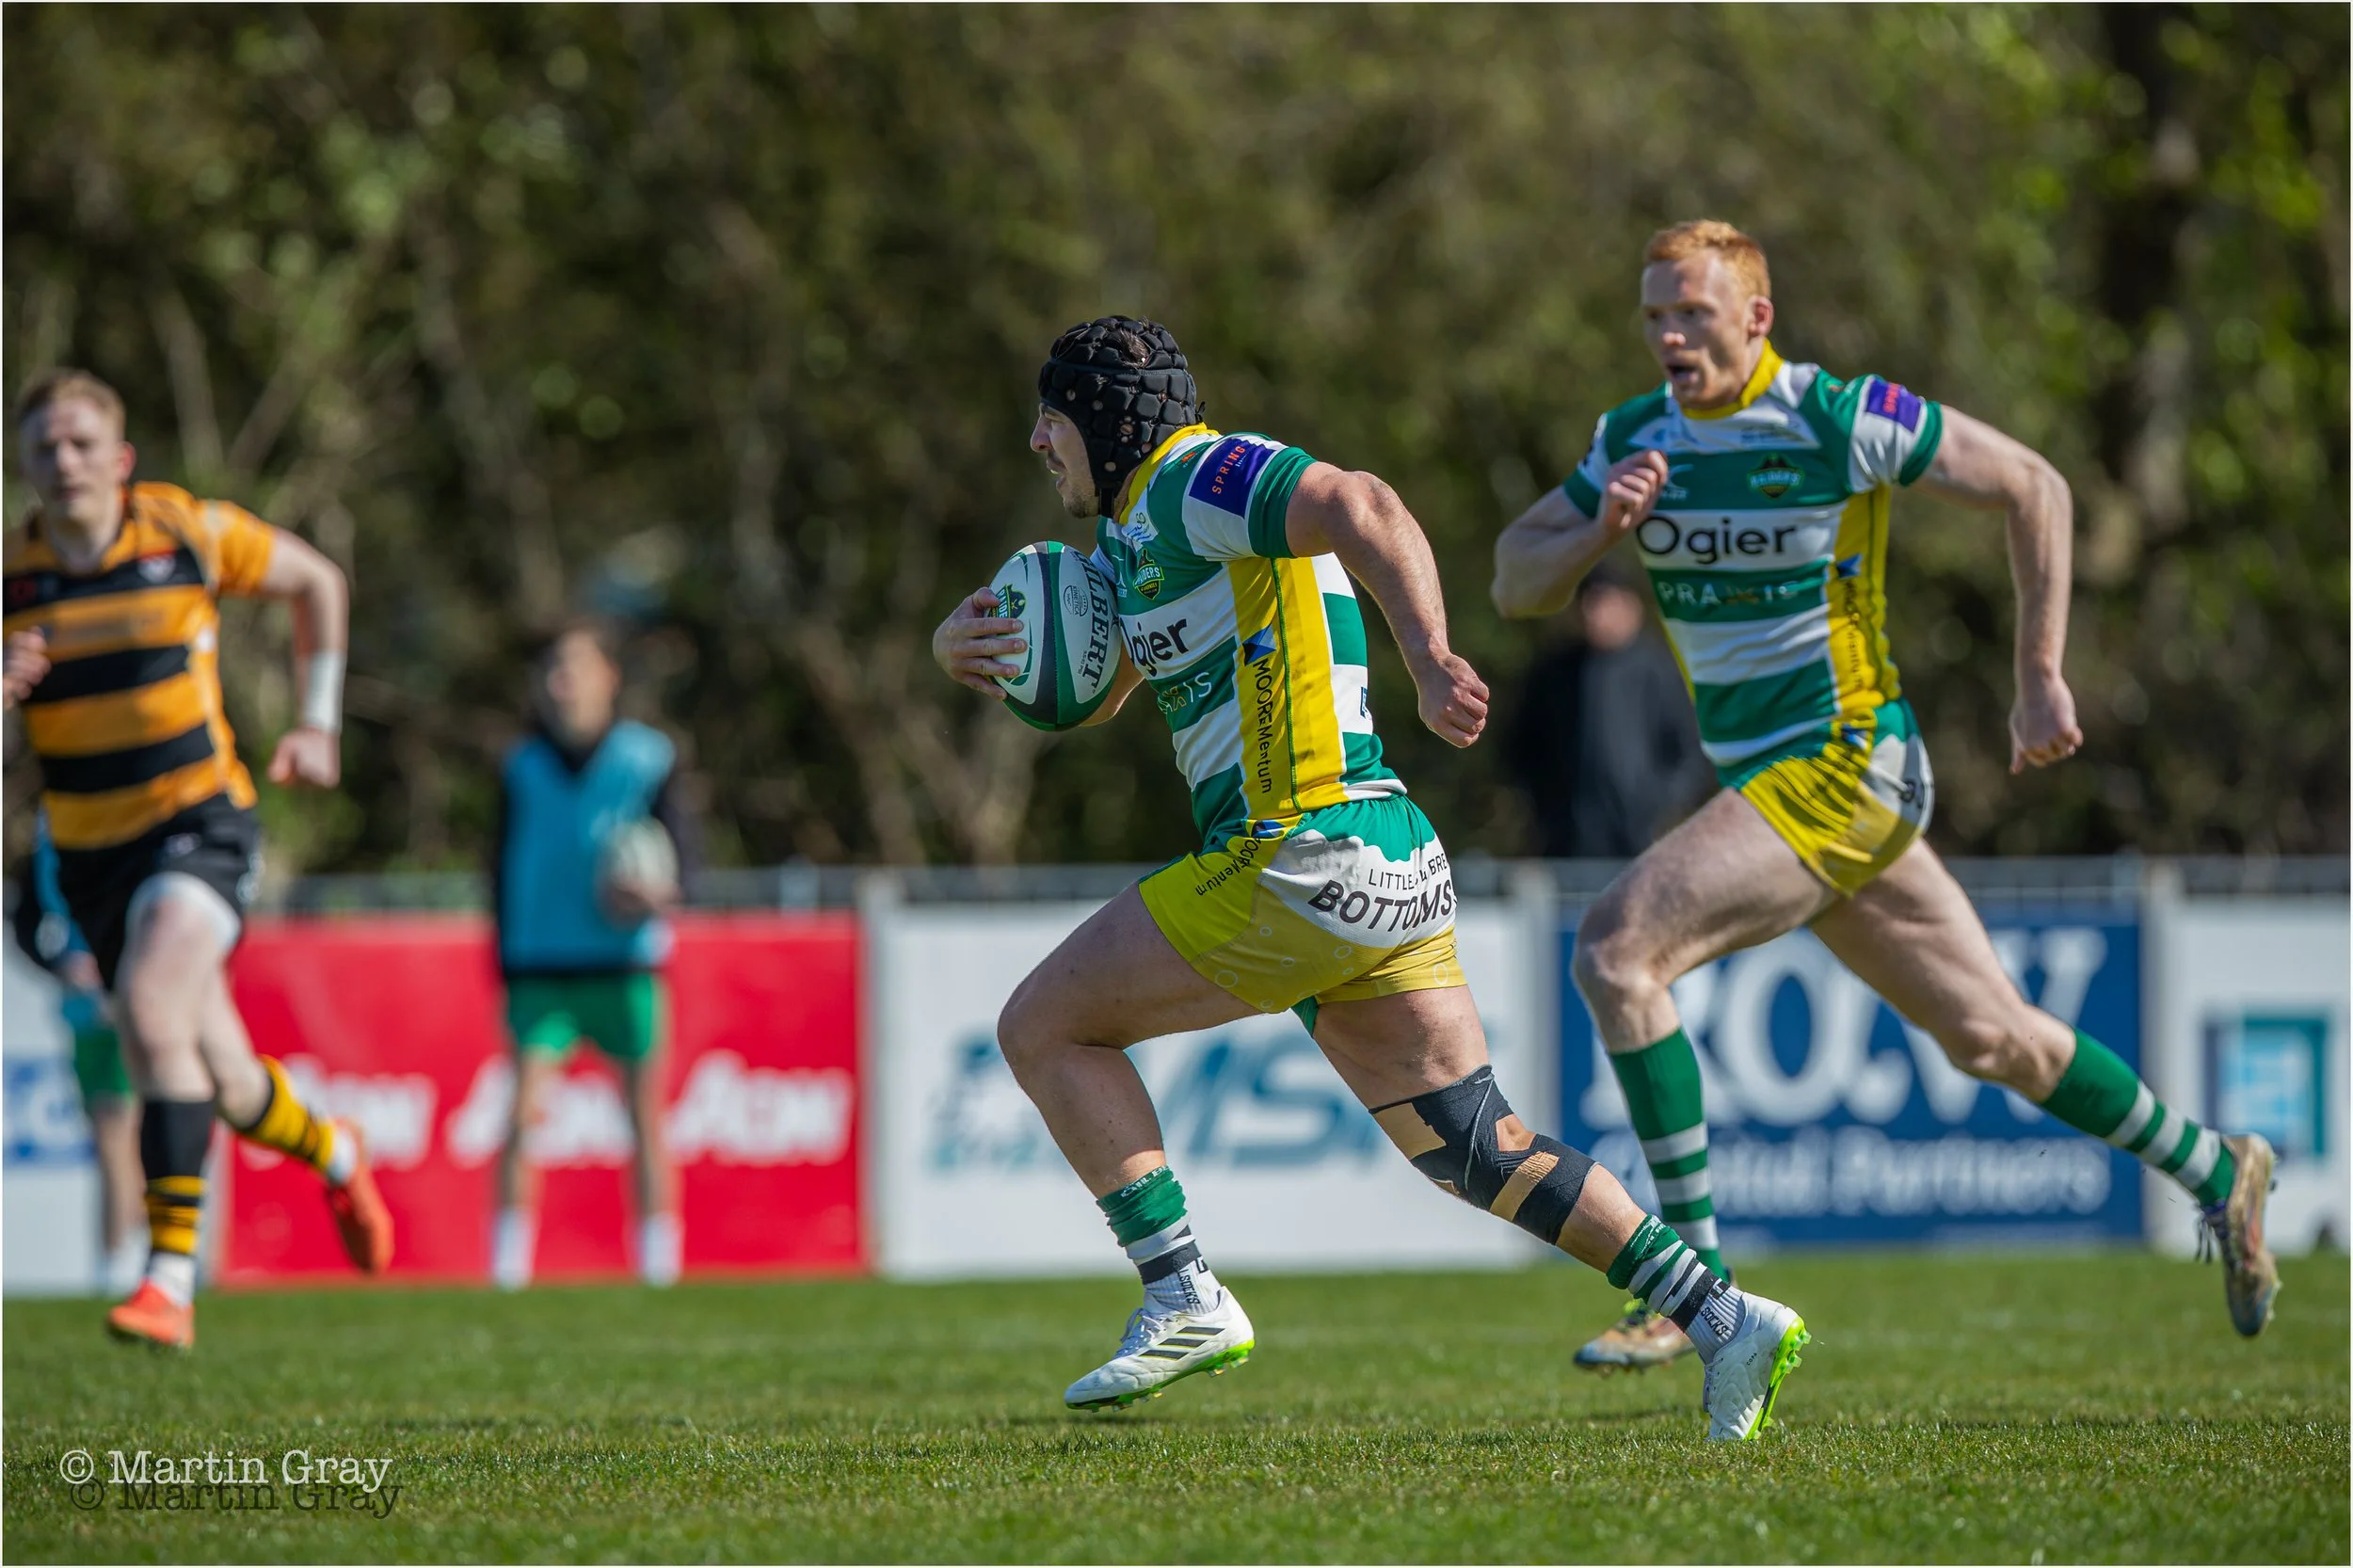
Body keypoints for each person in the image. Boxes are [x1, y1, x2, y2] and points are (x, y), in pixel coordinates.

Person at [932, 315, 1810, 1440]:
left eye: (1048, 424)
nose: (1037, 446)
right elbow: (1104, 682)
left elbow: (1366, 505)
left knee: (1044, 1026)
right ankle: (1722, 1315)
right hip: (1387, 859)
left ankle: (1179, 1289)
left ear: (1098, 420)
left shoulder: (1196, 473)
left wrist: (1432, 654)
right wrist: (970, 652)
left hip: (1289, 853)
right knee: (1472, 1145)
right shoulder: (1141, 538)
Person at [1492, 220, 2278, 1372]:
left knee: (1616, 950)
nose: (1668, 334)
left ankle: (1691, 1293)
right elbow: (1515, 577)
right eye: (1654, 314)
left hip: (1845, 761)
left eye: (1692, 314)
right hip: (1779, 782)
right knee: (1994, 1038)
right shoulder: (1632, 438)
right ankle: (2217, 1167)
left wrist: (2038, 676)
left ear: (1756, 318)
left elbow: (2033, 485)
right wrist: (1602, 528)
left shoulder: (1831, 415)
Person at [2, 368, 392, 1351]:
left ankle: (168, 1279)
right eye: (46, 445)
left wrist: (317, 721)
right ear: (23, 464)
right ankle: (334, 1149)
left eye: (84, 442)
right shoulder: (12, 578)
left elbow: (318, 582)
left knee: (147, 1006)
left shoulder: (185, 532)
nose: (66, 460)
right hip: (91, 856)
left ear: (122, 458)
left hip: (201, 825)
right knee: (222, 1077)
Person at [489, 620, 697, 1290]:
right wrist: (502, 960)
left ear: (609, 677)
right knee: (522, 1114)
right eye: (552, 670)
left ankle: (659, 1266)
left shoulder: (649, 759)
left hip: (625, 964)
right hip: (542, 968)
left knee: (644, 1120)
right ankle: (508, 1268)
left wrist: (657, 890)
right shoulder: (519, 767)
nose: (562, 683)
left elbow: (687, 860)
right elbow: (497, 869)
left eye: (575, 668)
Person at [10, 810, 145, 1295]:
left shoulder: (130, 804)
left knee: (120, 1128)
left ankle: (126, 1262)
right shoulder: (49, 826)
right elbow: (28, 921)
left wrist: (128, 967)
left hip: (132, 998)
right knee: (115, 1132)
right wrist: (59, 964)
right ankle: (130, 1259)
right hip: (82, 1012)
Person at [1503, 559, 1711, 858]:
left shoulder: (1661, 671)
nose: (1595, 614)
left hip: (1642, 845)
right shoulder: (1554, 673)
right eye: (1588, 602)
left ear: (1631, 606)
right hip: (1567, 846)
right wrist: (1546, 809)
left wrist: (1658, 808)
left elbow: (1691, 757)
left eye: (1604, 602)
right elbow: (1522, 750)